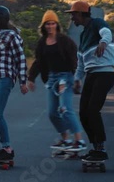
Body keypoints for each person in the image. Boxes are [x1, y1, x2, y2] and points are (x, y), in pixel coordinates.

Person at [66, 0, 114, 161]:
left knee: (93, 110)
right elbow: (81, 63)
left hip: (105, 73)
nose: (72, 19)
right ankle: (95, 146)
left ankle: (101, 148)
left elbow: (107, 33)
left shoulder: (98, 23)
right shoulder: (83, 35)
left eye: (73, 15)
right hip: (91, 75)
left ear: (81, 14)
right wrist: (76, 80)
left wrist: (103, 42)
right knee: (83, 113)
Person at [28, 10, 87, 152]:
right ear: (43, 26)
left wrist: (76, 79)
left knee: (65, 109)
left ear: (57, 24)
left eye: (52, 23)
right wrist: (31, 78)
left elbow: (75, 61)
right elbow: (38, 62)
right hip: (51, 78)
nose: (50, 26)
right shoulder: (42, 43)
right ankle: (65, 139)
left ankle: (79, 140)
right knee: (52, 113)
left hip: (66, 77)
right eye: (47, 24)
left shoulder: (65, 41)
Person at [0, 5, 29, 161]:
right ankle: (5, 147)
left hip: (4, 78)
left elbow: (20, 59)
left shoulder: (12, 36)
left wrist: (23, 81)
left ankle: (7, 149)